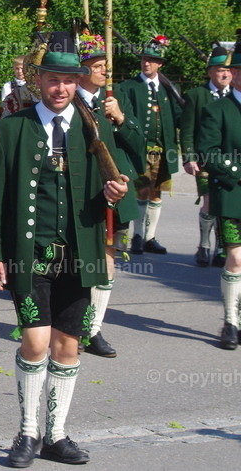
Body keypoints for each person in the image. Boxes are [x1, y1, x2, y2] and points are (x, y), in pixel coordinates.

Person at [0, 32, 130, 468]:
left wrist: (112, 193)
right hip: (30, 255)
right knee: (35, 341)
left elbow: (105, 189)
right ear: (39, 80)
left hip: (79, 254)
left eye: (69, 79)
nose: (61, 88)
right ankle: (27, 434)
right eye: (53, 79)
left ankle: (56, 435)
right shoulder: (11, 128)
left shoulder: (92, 126)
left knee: (69, 347)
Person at [75, 31, 144, 360]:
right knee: (78, 263)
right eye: (98, 65)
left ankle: (93, 328)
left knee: (107, 260)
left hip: (114, 192)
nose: (104, 71)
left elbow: (137, 145)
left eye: (105, 65)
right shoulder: (69, 101)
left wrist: (120, 118)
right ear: (83, 69)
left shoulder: (115, 100)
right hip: (80, 195)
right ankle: (72, 323)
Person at [117, 35, 182, 255]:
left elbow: (178, 116)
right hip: (140, 149)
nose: (147, 63)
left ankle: (150, 237)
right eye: (144, 59)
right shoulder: (129, 87)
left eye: (152, 60)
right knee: (141, 190)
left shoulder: (168, 89)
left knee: (156, 193)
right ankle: (136, 235)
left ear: (160, 64)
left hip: (162, 149)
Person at [196, 39, 241, 350]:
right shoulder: (217, 110)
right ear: (235, 74)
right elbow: (208, 153)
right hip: (232, 192)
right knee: (236, 260)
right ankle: (231, 322)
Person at [181, 44, 232, 267]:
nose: (225, 73)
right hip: (204, 159)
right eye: (220, 69)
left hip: (230, 159)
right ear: (210, 71)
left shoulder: (235, 96)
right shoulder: (196, 95)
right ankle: (204, 245)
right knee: (209, 202)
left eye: (228, 70)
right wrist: (188, 157)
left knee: (227, 203)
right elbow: (188, 129)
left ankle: (222, 246)